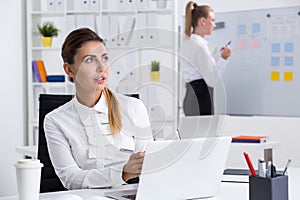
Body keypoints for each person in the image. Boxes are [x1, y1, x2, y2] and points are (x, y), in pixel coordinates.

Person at [44, 28, 153, 189]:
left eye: (105, 58)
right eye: (90, 60)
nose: (102, 68)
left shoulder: (133, 108)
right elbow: (70, 178)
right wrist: (121, 172)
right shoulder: (56, 120)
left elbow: (148, 167)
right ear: (69, 69)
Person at [179, 1, 232, 116]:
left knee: (194, 133)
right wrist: (223, 58)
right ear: (203, 21)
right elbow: (212, 80)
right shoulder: (199, 46)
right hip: (201, 98)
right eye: (212, 20)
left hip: (190, 97)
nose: (214, 24)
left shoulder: (187, 44)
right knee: (204, 133)